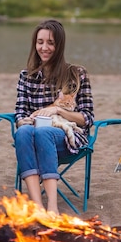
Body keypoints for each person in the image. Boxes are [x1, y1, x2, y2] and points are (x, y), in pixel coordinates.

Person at [14, 19, 94, 215]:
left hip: (67, 138)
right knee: (23, 131)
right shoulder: (26, 76)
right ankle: (38, 206)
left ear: (59, 45)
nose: (44, 47)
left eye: (50, 42)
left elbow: (87, 118)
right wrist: (23, 120)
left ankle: (52, 206)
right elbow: (20, 112)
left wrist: (58, 111)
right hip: (33, 136)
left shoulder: (76, 74)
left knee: (44, 133)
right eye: (40, 42)